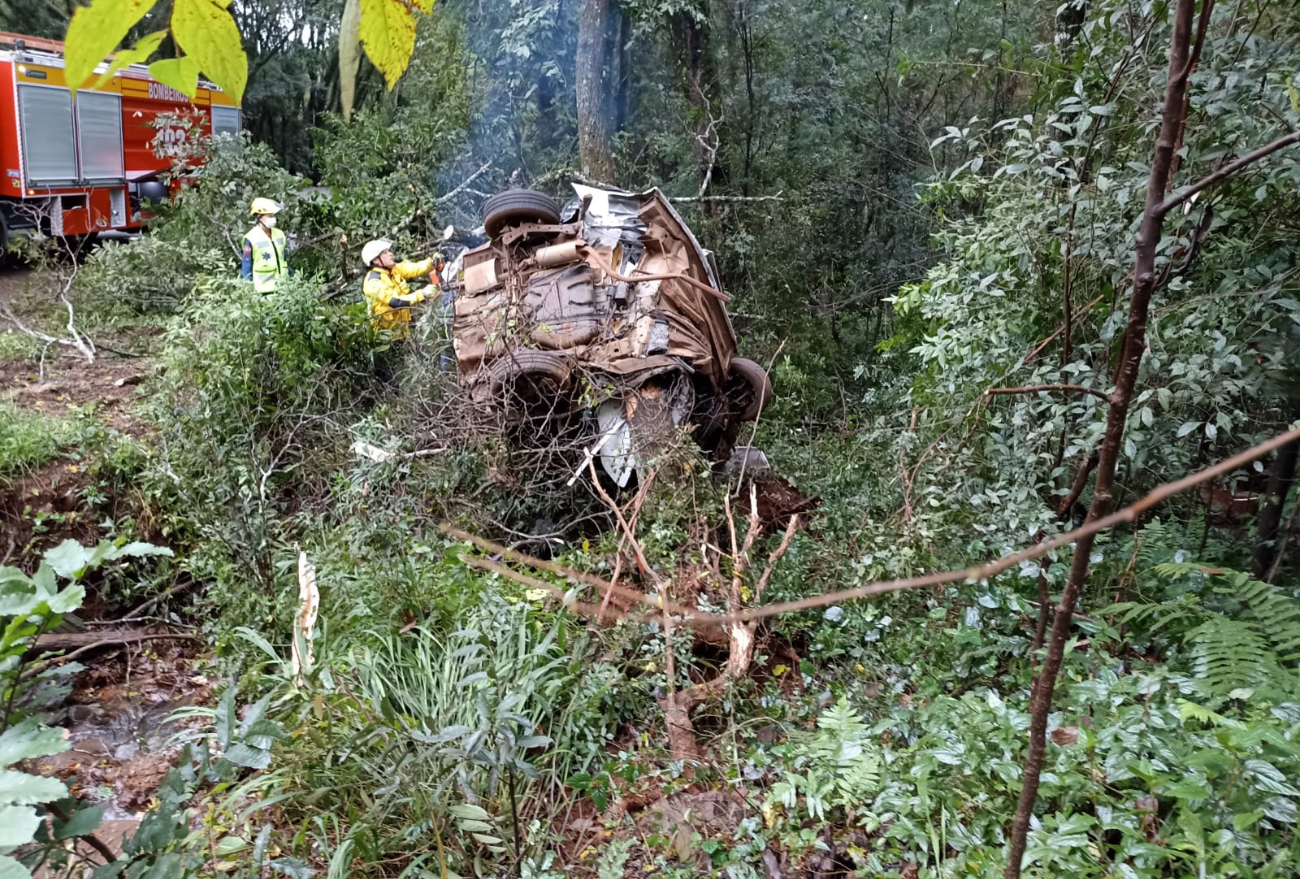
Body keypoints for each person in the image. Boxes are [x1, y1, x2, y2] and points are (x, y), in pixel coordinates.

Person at [360, 239, 436, 339]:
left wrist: (432, 261)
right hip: (387, 338)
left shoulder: (392, 270)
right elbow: (395, 301)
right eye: (385, 253)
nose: (390, 254)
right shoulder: (373, 282)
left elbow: (414, 268)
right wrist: (422, 293)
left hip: (403, 330)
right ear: (376, 260)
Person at [240, 198, 289, 293]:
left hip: (284, 288)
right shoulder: (251, 238)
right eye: (270, 216)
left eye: (273, 215)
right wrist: (249, 290)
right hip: (263, 291)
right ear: (259, 216)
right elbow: (246, 266)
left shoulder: (279, 234)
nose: (273, 218)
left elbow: (283, 260)